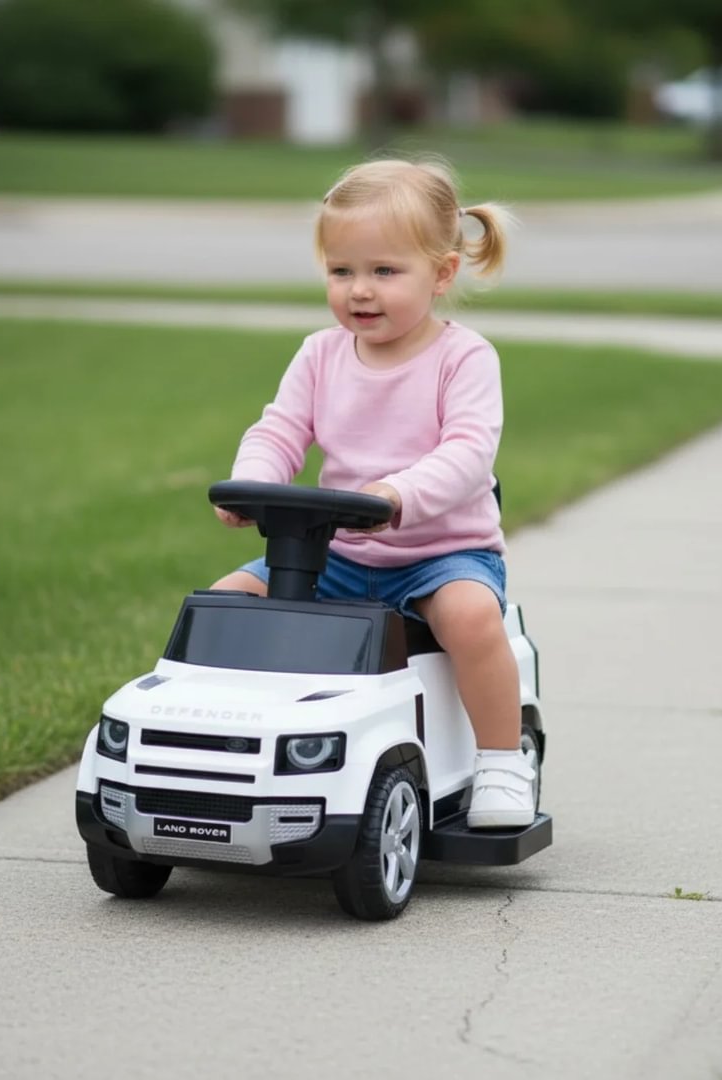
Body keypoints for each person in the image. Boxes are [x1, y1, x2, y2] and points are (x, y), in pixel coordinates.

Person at [210, 157, 535, 829]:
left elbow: (469, 455)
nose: (360, 290)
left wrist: (395, 494)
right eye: (342, 271)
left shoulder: (464, 358)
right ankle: (231, 746)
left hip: (442, 554)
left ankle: (502, 761)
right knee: (225, 607)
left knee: (472, 617)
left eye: (385, 272)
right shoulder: (320, 355)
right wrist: (253, 483)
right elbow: (280, 430)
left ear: (442, 273)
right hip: (335, 558)